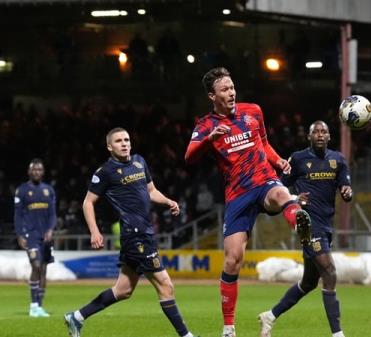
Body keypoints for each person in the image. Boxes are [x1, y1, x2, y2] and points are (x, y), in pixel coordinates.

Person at [184, 67, 311, 337]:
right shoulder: (206, 125)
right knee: (232, 260)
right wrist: (210, 140)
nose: (231, 93)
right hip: (237, 194)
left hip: (263, 180)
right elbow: (189, 157)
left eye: (232, 87)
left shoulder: (253, 111)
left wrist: (278, 161)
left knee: (281, 194)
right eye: (224, 90)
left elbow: (263, 143)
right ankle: (229, 327)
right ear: (212, 96)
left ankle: (300, 226)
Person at [64, 127, 198, 337]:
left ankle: (77, 317)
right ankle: (186, 335)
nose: (124, 143)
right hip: (135, 235)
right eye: (118, 141)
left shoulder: (139, 161)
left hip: (144, 232)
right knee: (165, 285)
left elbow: (151, 191)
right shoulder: (105, 172)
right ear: (110, 147)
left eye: (126, 139)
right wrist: (94, 231)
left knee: (123, 290)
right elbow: (88, 203)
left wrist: (168, 201)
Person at [258, 121, 352, 337]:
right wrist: (293, 198)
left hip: (327, 226)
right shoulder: (298, 159)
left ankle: (269, 316)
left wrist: (347, 192)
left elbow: (347, 190)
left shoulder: (338, 159)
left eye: (324, 132)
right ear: (309, 137)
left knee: (309, 282)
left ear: (329, 136)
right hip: (308, 226)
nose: (320, 135)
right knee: (329, 271)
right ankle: (337, 334)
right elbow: (277, 188)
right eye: (315, 132)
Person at [14, 158, 56, 318]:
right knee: (36, 266)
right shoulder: (22, 190)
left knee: (44, 270)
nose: (36, 172)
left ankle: (39, 306)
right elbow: (17, 215)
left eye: (39, 169)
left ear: (43, 172)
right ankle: (33, 305)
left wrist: (51, 229)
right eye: (34, 169)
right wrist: (19, 234)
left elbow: (53, 214)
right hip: (31, 236)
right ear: (29, 172)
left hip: (46, 237)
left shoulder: (49, 190)